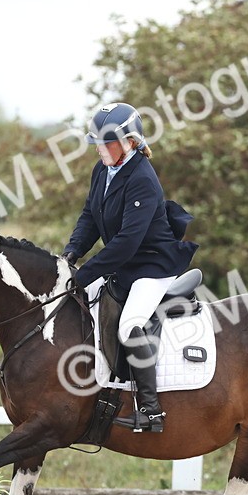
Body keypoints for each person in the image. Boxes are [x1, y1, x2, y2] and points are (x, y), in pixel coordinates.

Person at [62, 102, 199, 433]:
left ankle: (151, 411)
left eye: (107, 142)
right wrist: (71, 253)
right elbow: (90, 216)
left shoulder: (142, 179)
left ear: (131, 142)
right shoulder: (103, 171)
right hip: (126, 265)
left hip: (152, 265)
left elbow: (126, 242)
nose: (100, 149)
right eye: (97, 142)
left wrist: (84, 274)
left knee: (130, 325)